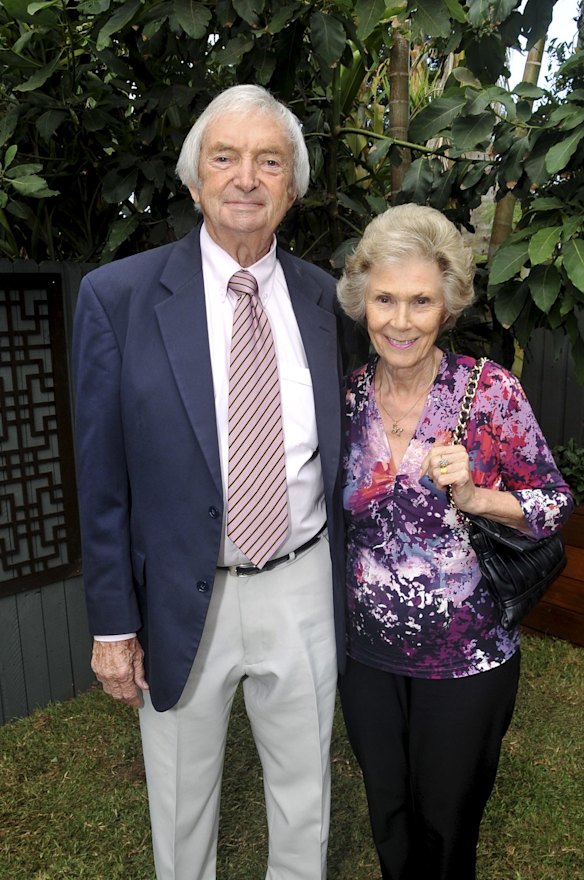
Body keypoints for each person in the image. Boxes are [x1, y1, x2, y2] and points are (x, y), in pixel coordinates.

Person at [72, 84, 347, 880]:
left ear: (291, 186)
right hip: (181, 594)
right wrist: (111, 625)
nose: (246, 178)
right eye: (224, 158)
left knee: (305, 795)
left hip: (302, 582)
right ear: (195, 180)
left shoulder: (327, 300)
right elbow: (102, 479)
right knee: (182, 799)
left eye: (269, 161)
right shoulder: (117, 299)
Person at [335, 203, 573, 880]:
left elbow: (553, 505)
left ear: (448, 306)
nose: (401, 321)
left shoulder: (489, 392)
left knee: (446, 825)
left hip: (467, 660)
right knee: (389, 815)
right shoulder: (344, 397)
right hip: (366, 658)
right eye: (385, 299)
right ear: (362, 300)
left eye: (421, 301)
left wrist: (474, 497)